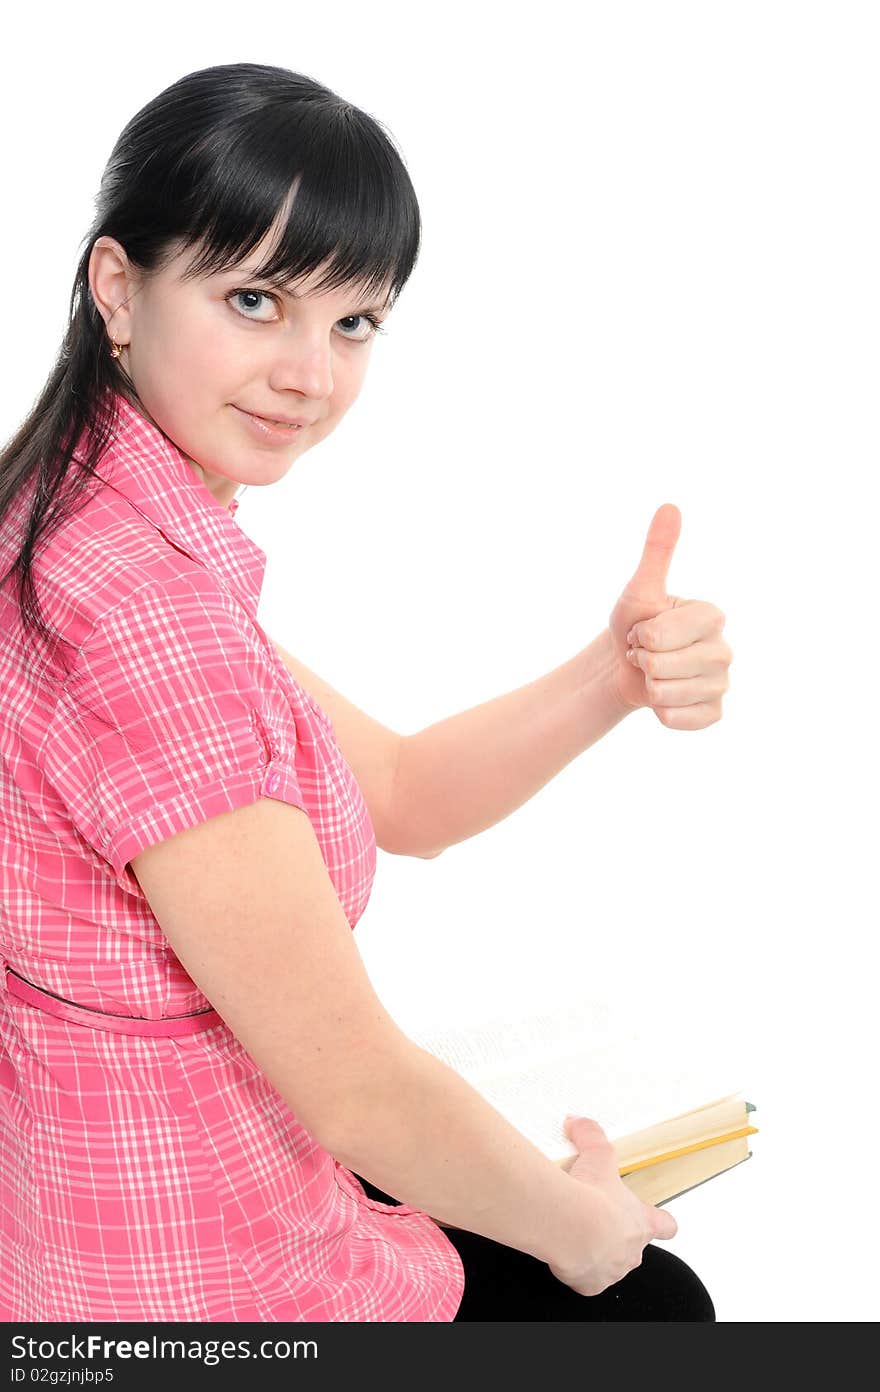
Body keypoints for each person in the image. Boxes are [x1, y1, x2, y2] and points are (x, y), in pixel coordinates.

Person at [0, 62, 730, 1323]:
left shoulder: (75, 523)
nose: (308, 374)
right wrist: (587, 1228)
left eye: (353, 323)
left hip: (104, 1212)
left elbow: (400, 791)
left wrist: (608, 678)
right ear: (118, 288)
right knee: (652, 1304)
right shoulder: (145, 614)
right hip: (198, 1286)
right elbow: (354, 1094)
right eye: (254, 298)